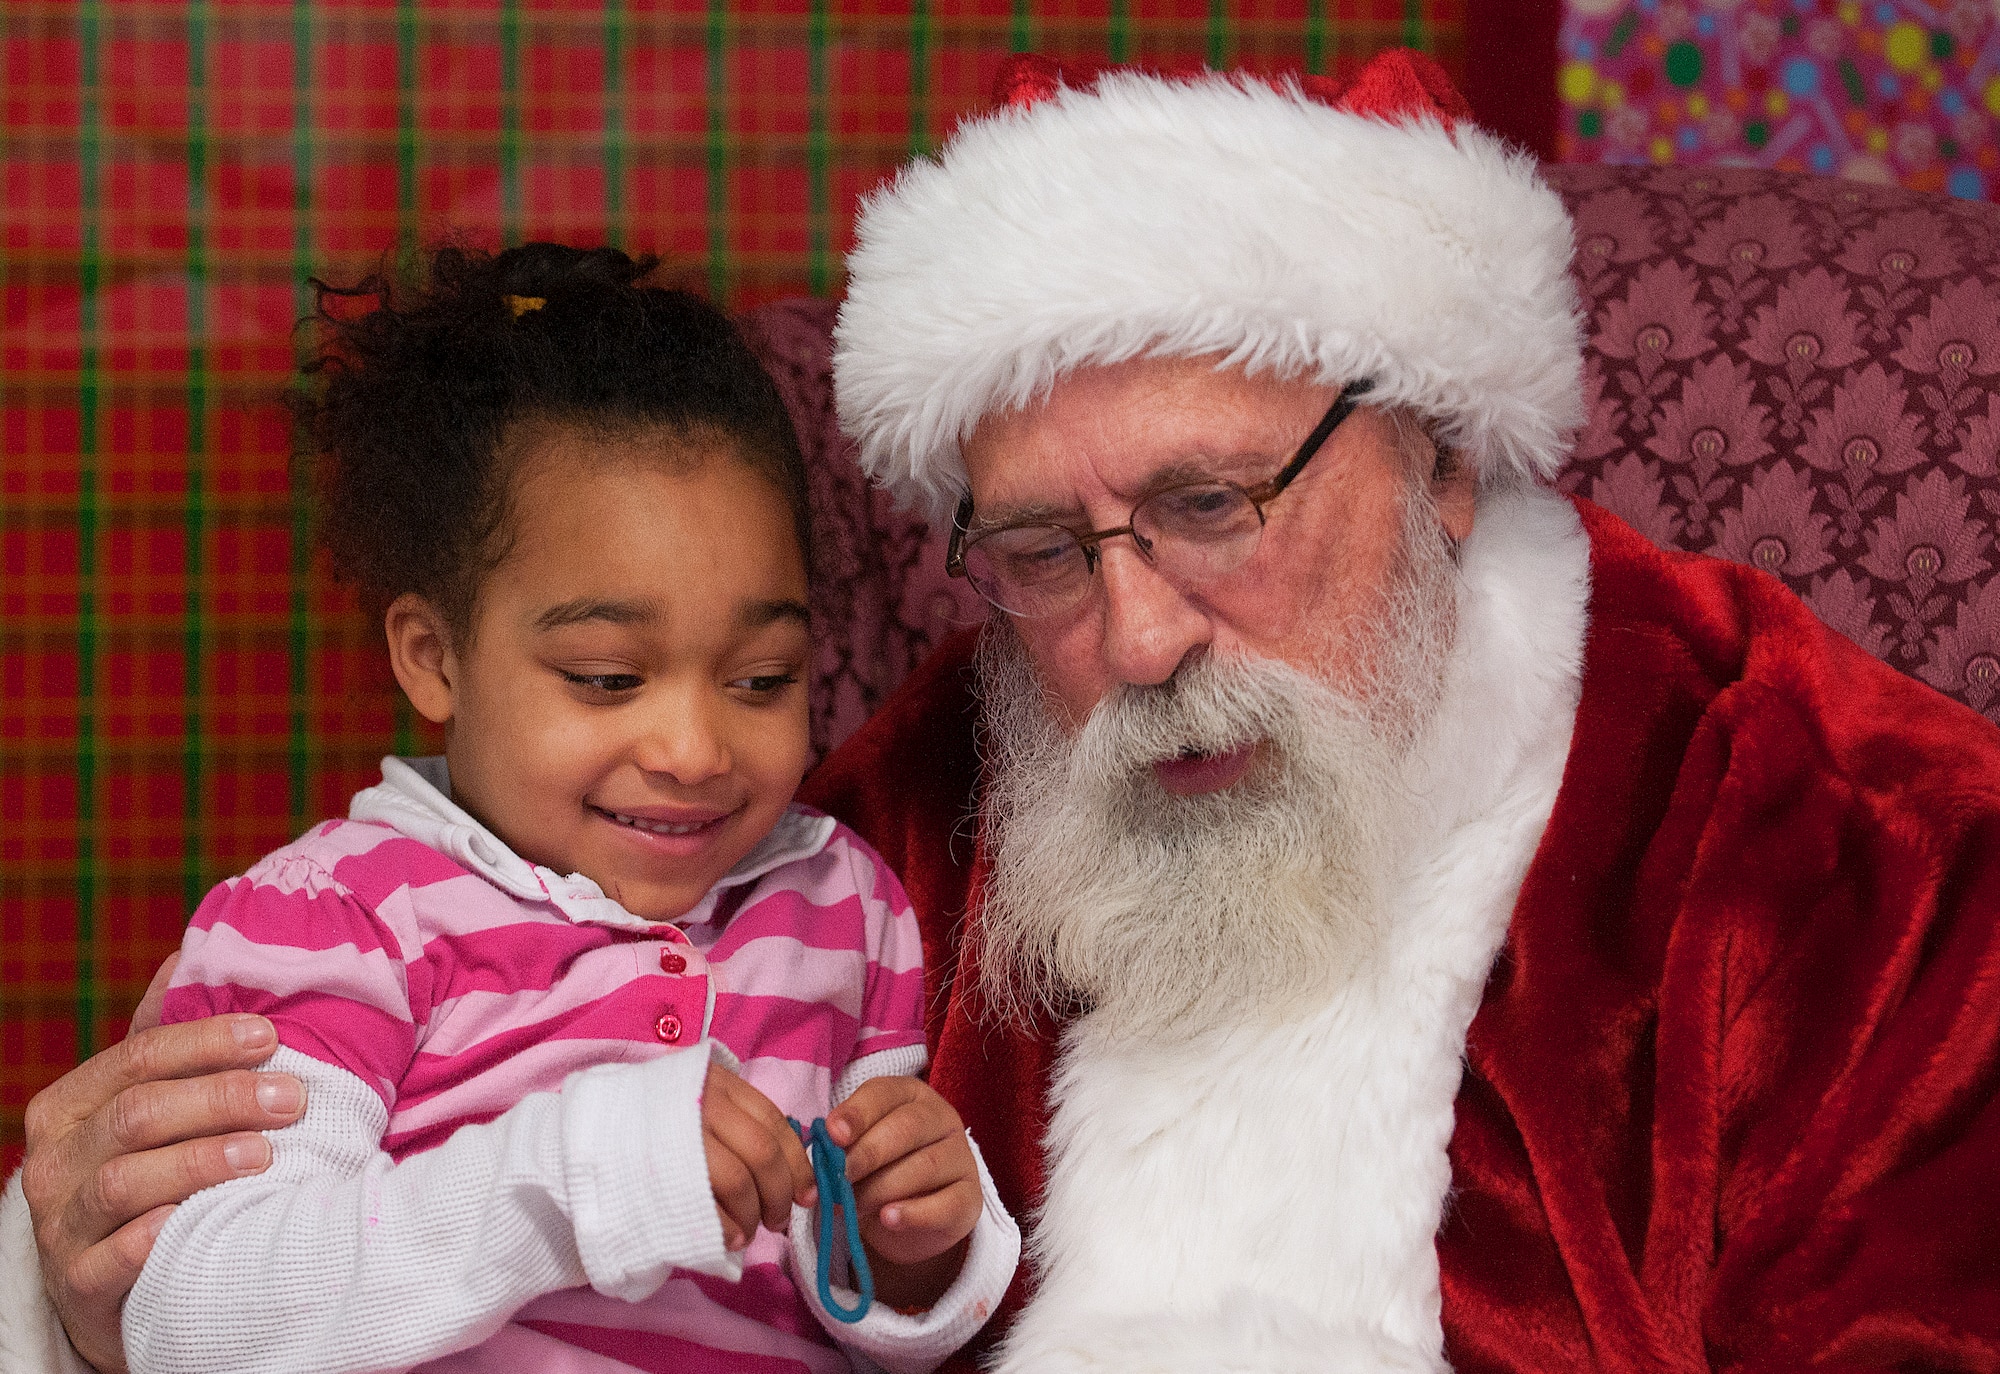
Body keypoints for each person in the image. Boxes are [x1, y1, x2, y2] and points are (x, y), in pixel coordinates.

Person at [10, 47, 2000, 1374]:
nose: (1132, 640)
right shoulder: (925, 802)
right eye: (1043, 548)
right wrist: (83, 1280)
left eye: (1212, 508)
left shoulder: (1843, 846)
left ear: (1442, 460)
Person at [7, 243, 1018, 1374]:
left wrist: (918, 1249)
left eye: (761, 680)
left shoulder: (843, 904)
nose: (692, 750)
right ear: (434, 657)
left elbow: (859, 1303)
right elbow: (200, 1315)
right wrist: (581, 1171)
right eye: (604, 678)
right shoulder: (339, 917)